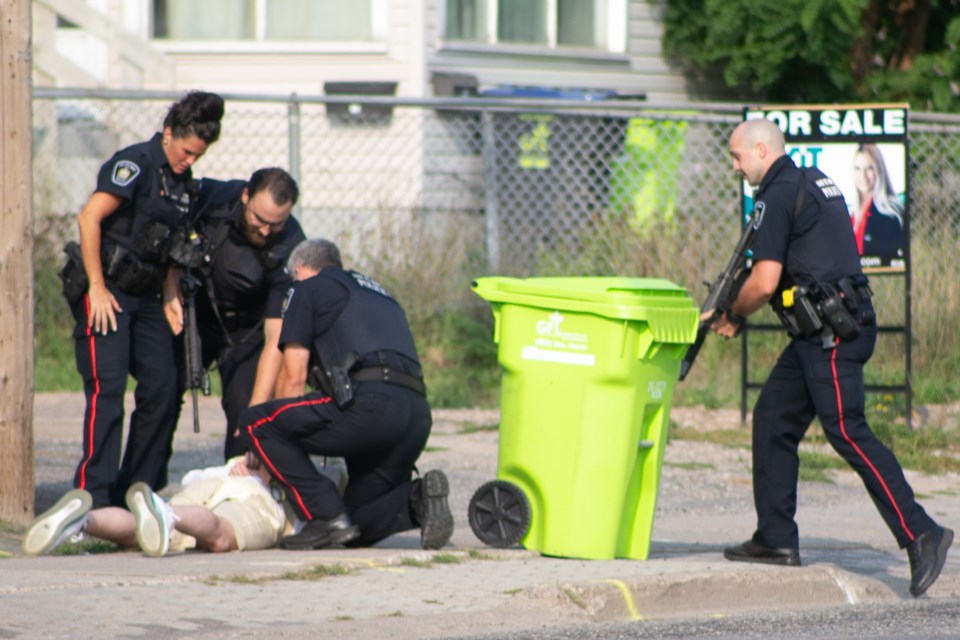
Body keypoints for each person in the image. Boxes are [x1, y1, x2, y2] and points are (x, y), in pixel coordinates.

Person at [707, 118, 952, 597]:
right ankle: (775, 539)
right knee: (773, 416)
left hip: (832, 335)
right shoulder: (809, 180)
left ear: (761, 150)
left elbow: (763, 280)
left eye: (737, 157)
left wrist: (732, 314)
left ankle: (922, 532)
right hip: (821, 331)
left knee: (848, 431)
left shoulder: (777, 193)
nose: (735, 168)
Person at [61, 91, 225, 509]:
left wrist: (171, 295)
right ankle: (91, 498)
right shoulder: (134, 164)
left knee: (165, 387)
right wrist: (96, 288)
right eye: (187, 151)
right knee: (108, 388)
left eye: (198, 155)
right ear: (168, 134)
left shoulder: (183, 184)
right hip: (109, 289)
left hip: (149, 295)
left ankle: (136, 490)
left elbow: (171, 248)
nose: (191, 160)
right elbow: (89, 217)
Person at [238, 238, 454, 551]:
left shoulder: (306, 288)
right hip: (415, 417)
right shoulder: (380, 294)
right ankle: (416, 500)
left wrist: (274, 455)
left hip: (369, 408)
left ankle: (323, 515)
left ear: (299, 269)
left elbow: (293, 377)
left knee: (259, 422)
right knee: (353, 527)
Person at [163, 168, 306, 460]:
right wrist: (170, 284)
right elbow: (170, 231)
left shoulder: (291, 245)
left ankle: (239, 487)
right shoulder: (211, 198)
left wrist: (254, 414)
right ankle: (143, 481)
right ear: (245, 196)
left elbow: (275, 337)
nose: (265, 231)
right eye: (259, 219)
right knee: (161, 391)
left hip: (246, 330)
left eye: (275, 224)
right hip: (194, 314)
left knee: (246, 402)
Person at [21, 452, 290, 557]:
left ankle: (84, 520)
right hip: (257, 498)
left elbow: (189, 478)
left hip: (210, 483)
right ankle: (167, 514)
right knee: (221, 536)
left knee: (141, 530)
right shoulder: (272, 486)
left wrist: (233, 467)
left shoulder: (228, 467)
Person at [851, 144, 905, 261]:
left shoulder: (891, 214)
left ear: (879, 170)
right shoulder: (850, 215)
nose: (863, 176)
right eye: (857, 168)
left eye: (869, 168)